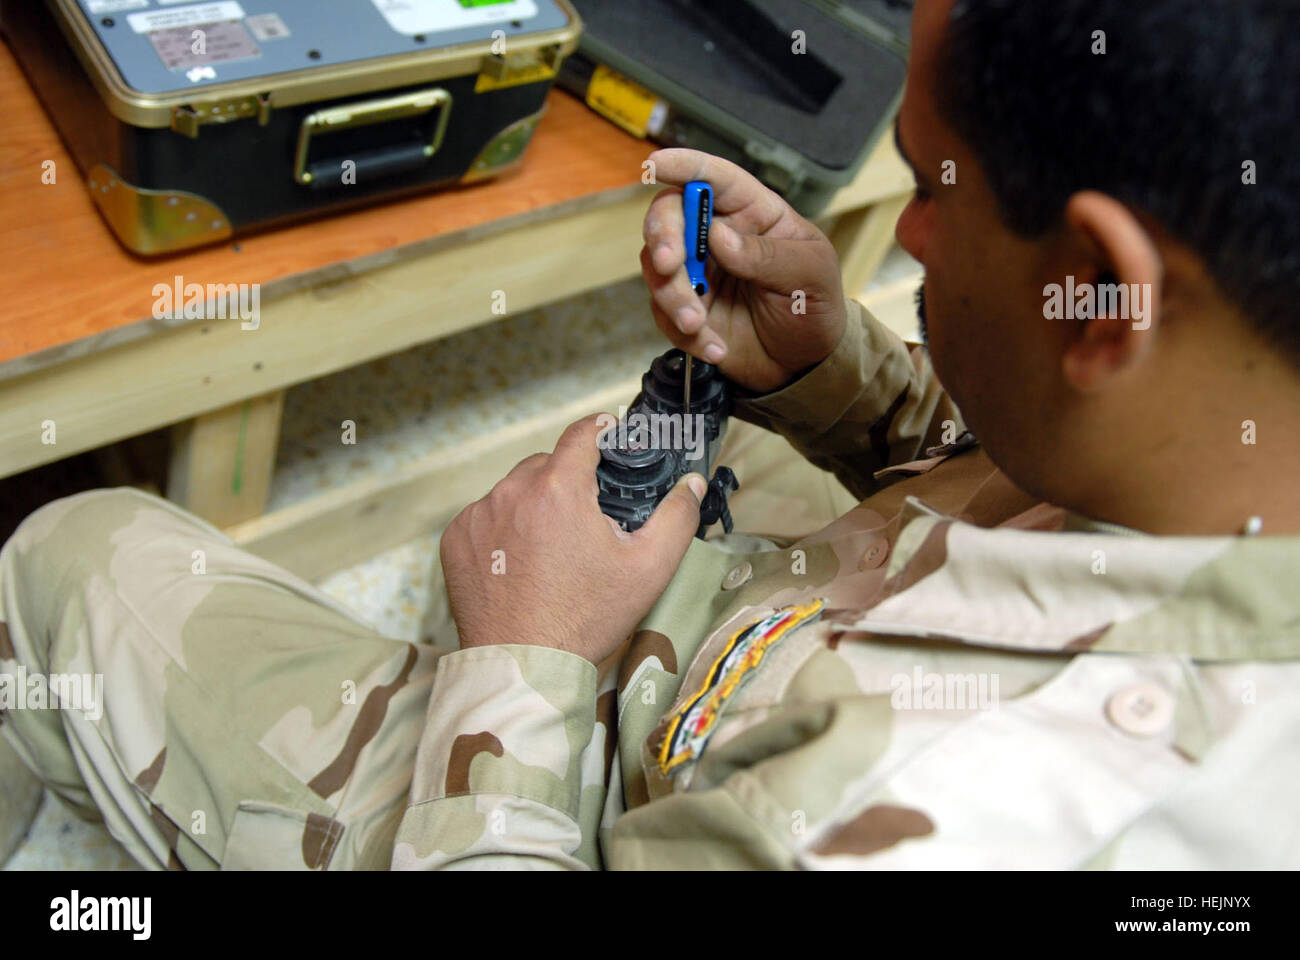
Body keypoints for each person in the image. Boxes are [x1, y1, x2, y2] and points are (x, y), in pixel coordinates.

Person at [1, 0, 1297, 870]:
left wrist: (526, 662)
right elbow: (1049, 475)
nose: (902, 236)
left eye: (931, 187)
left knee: (70, 553)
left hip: (575, 798)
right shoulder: (1238, 430)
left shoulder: (922, 817)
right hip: (771, 656)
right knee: (712, 456)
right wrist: (834, 374)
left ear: (1102, 294)